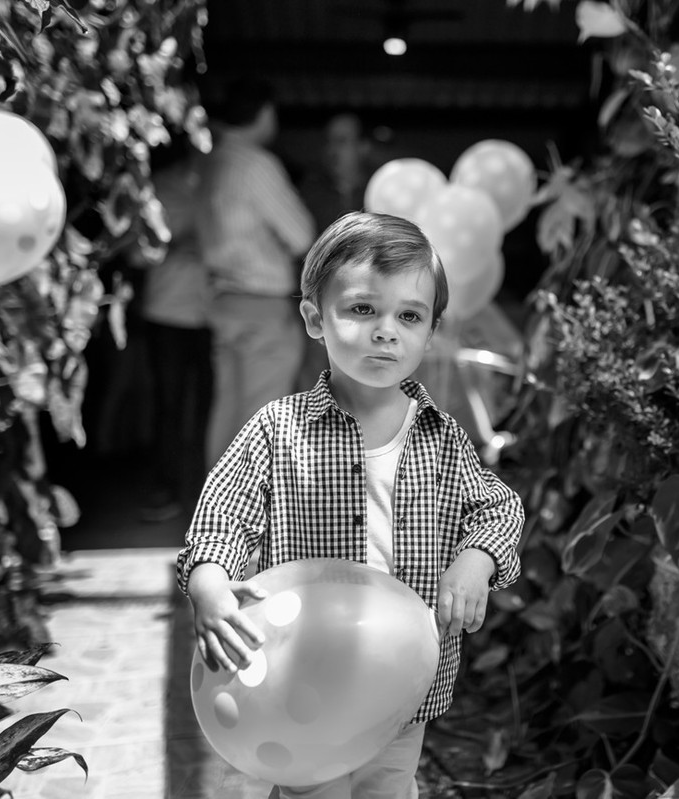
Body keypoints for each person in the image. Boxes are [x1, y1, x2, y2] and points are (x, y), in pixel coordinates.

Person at [175, 211, 524, 799]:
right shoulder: (277, 430)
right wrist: (210, 581)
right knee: (315, 791)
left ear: (430, 333)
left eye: (408, 316)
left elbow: (497, 506)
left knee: (389, 784)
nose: (386, 331)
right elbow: (224, 515)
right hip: (303, 678)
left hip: (401, 681)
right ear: (315, 319)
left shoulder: (441, 438)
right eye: (363, 309)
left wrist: (478, 560)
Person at [195, 77, 315, 468]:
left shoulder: (211, 160)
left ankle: (219, 513)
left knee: (228, 409)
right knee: (262, 417)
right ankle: (251, 521)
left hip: (221, 297)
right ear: (265, 114)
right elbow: (301, 235)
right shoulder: (255, 163)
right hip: (261, 302)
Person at [137, 148, 213, 522]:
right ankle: (165, 490)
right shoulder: (161, 188)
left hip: (213, 313)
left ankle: (204, 495)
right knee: (169, 406)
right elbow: (135, 255)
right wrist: (174, 244)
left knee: (208, 408)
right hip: (167, 312)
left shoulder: (224, 184)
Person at [296, 113, 375, 391]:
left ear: (363, 147)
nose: (332, 149)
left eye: (342, 141)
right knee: (314, 393)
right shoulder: (309, 192)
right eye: (329, 141)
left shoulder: (380, 192)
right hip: (319, 315)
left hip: (372, 315)